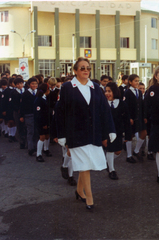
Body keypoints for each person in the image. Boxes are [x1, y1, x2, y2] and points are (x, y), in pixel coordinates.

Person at [57, 57, 116, 210]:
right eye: (82, 68)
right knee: (84, 165)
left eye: (88, 68)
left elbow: (104, 110)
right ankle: (89, 198)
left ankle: (78, 191)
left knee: (88, 165)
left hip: (93, 132)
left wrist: (110, 129)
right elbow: (60, 112)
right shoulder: (67, 87)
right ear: (75, 71)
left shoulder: (96, 87)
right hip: (75, 133)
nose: (86, 70)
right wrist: (61, 134)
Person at [104, 82, 131, 180]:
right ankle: (112, 170)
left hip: (118, 131)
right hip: (107, 131)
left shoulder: (122, 104)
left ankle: (107, 161)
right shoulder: (103, 103)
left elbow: (126, 120)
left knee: (118, 151)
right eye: (106, 91)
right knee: (110, 150)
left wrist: (128, 135)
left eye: (109, 91)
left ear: (114, 92)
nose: (107, 93)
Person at [124, 74, 147, 163]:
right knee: (130, 136)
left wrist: (144, 116)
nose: (137, 82)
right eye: (135, 81)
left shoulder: (139, 92)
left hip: (139, 117)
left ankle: (136, 151)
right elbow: (126, 107)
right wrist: (129, 117)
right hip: (131, 117)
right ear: (130, 82)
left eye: (138, 80)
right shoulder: (127, 92)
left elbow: (142, 105)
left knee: (144, 133)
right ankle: (129, 155)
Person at [20, 77, 39, 156]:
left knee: (36, 131)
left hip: (37, 115)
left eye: (36, 84)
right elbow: (22, 106)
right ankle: (30, 148)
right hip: (29, 115)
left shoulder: (39, 93)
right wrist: (21, 116)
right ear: (28, 85)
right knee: (30, 131)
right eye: (32, 84)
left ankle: (36, 147)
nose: (34, 85)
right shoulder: (25, 94)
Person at [34, 83, 51, 162]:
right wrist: (43, 123)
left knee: (47, 136)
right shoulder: (39, 99)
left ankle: (46, 149)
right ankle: (38, 154)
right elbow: (39, 113)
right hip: (41, 121)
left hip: (46, 120)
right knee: (42, 137)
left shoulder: (44, 98)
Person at [10, 77, 27, 149]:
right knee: (20, 127)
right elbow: (11, 103)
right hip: (17, 111)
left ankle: (27, 142)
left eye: (21, 83)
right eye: (18, 84)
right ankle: (22, 142)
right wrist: (17, 109)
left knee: (26, 126)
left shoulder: (25, 91)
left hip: (25, 111)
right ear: (15, 85)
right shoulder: (13, 92)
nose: (20, 85)